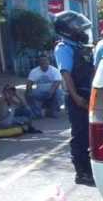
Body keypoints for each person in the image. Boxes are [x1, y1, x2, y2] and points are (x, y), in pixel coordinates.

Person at [53, 10, 96, 186]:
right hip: (77, 95)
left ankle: (90, 168)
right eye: (79, 29)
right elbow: (66, 74)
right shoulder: (63, 48)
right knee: (80, 134)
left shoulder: (80, 47)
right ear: (68, 30)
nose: (83, 32)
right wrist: (76, 97)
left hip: (89, 93)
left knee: (91, 133)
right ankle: (82, 172)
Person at [26, 54, 62, 118]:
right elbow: (29, 83)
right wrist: (29, 91)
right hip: (40, 92)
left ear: (49, 61)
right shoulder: (34, 71)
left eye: (45, 60)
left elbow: (57, 82)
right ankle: (37, 112)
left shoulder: (54, 70)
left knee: (59, 92)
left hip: (52, 91)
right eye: (41, 61)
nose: (43, 62)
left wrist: (51, 92)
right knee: (27, 93)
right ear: (39, 62)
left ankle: (53, 111)